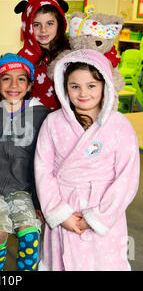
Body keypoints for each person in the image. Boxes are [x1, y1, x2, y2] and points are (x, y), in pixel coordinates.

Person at [34, 49, 140, 271]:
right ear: (65, 88)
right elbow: (43, 170)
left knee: (102, 263)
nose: (83, 93)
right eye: (75, 86)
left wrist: (95, 218)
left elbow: (126, 179)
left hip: (103, 211)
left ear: (105, 86)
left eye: (91, 85)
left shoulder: (120, 126)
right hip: (65, 209)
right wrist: (60, 213)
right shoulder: (52, 123)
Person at [0, 53, 50, 271]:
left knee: (30, 232)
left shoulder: (42, 115)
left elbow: (43, 160)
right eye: (6, 78)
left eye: (21, 79)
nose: (14, 85)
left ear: (30, 85)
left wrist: (38, 202)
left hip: (22, 189)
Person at [15, 0, 70, 110]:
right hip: (34, 118)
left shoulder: (70, 50)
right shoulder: (23, 57)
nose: (43, 30)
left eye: (50, 23)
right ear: (28, 26)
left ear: (59, 24)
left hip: (66, 118)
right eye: (36, 25)